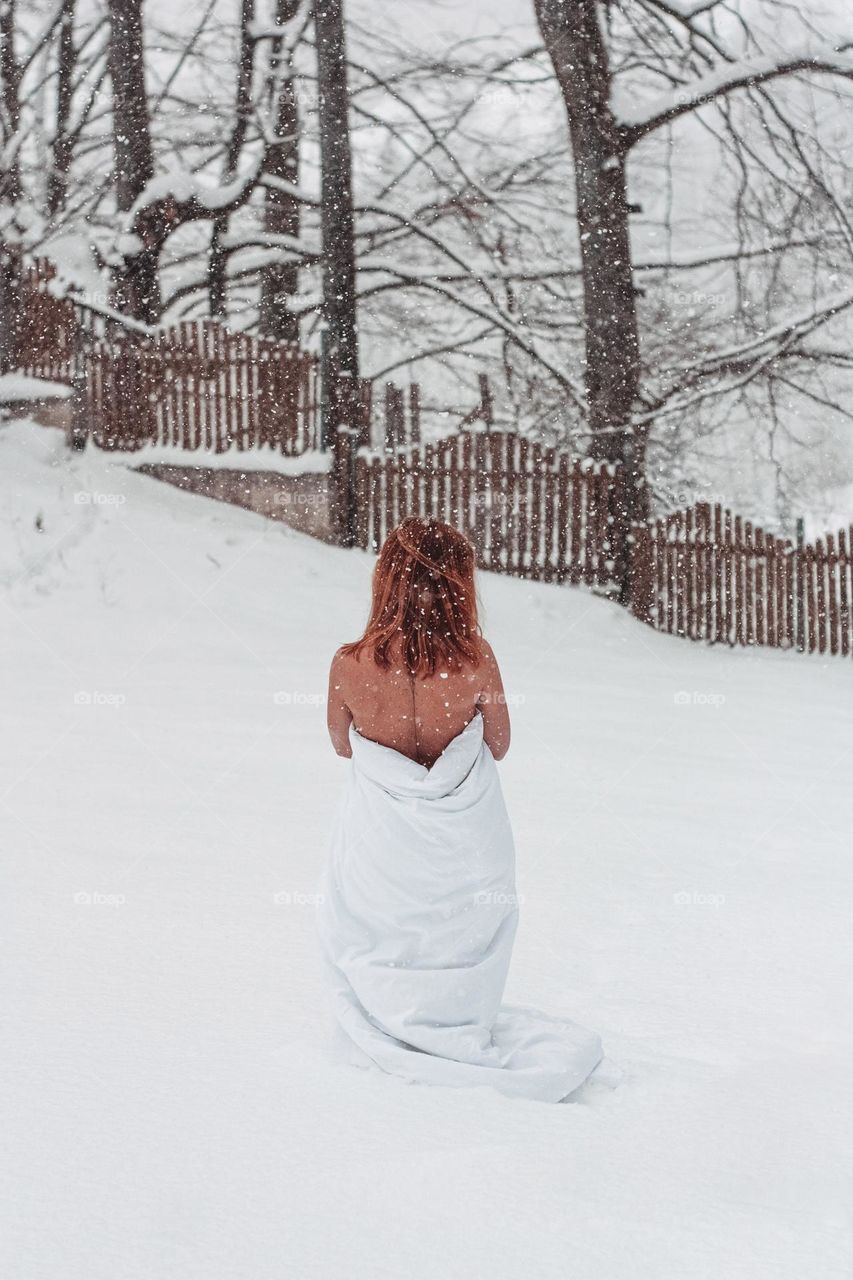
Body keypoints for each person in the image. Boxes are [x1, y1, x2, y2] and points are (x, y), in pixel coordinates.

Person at [316, 516, 604, 1102]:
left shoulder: (348, 664)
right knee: (462, 927)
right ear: (460, 585)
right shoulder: (477, 660)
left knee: (387, 923)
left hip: (385, 838)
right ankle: (453, 1016)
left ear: (386, 581)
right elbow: (498, 743)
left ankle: (394, 1016)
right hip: (467, 831)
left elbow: (342, 744)